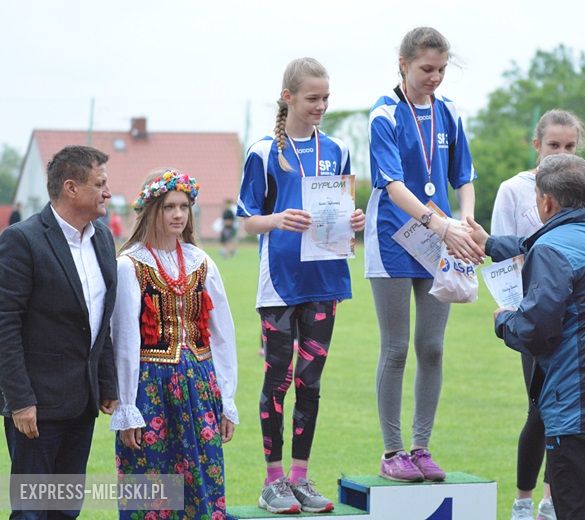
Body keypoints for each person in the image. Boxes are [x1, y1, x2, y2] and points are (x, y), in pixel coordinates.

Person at [469, 154, 585, 520]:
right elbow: (550, 244)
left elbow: (537, 333)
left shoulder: (552, 250)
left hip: (579, 413)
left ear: (546, 202)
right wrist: (490, 244)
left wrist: (505, 322)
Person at [237, 57, 365, 514]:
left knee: (310, 382)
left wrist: (355, 219)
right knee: (278, 379)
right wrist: (278, 219)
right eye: (312, 98)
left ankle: (300, 478)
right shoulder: (263, 152)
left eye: (326, 98)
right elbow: (247, 220)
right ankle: (273, 482)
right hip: (280, 284)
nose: (321, 106)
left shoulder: (338, 149)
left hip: (326, 279)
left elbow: (342, 209)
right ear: (288, 96)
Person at [364, 26, 482, 483]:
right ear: (403, 63)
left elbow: (463, 176)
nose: (434, 78)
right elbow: (393, 187)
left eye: (441, 70)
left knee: (431, 347)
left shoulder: (449, 112)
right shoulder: (384, 115)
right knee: (395, 348)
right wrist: (444, 225)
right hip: (395, 238)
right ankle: (392, 451)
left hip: (442, 241)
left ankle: (421, 447)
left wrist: (466, 220)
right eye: (426, 69)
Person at [110, 169, 239, 519]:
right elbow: (124, 340)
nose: (178, 215)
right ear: (152, 209)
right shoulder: (130, 265)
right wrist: (127, 408)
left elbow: (223, 334)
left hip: (199, 385)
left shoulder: (202, 262)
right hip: (151, 389)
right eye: (169, 206)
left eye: (184, 206)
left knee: (202, 478)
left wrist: (226, 399)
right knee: (153, 483)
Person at [0, 145, 118, 518]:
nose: (108, 193)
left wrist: (107, 384)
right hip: (36, 406)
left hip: (82, 401)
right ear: (71, 188)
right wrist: (20, 400)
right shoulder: (22, 240)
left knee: (66, 508)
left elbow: (101, 317)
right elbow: (5, 325)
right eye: (100, 184)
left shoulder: (102, 237)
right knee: (31, 510)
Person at [491, 109, 585, 520]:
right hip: (532, 315)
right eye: (553, 145)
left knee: (563, 408)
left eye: (569, 146)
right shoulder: (514, 190)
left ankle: (551, 501)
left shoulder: (581, 187)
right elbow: (498, 255)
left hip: (575, 319)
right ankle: (523, 500)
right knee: (540, 407)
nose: (560, 153)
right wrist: (515, 312)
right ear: (537, 145)